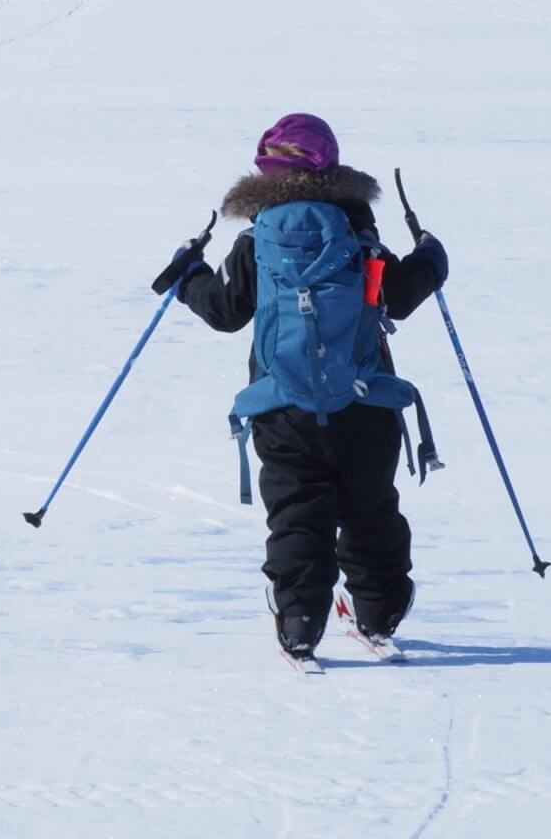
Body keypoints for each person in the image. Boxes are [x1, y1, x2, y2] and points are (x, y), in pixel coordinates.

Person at [159, 113, 448, 661]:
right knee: (370, 508)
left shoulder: (257, 240)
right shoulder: (359, 235)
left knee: (297, 512)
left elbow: (224, 312)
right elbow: (402, 296)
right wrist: (432, 258)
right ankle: (379, 610)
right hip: (365, 403)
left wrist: (186, 273)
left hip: (281, 406)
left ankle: (299, 618)